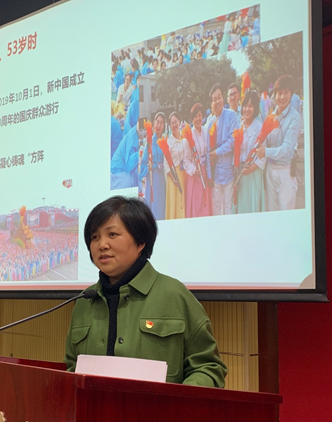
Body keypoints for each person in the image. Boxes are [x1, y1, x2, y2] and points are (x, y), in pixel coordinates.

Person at [64, 196, 227, 387]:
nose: (102, 245)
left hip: (160, 407)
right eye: (95, 237)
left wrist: (178, 401)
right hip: (94, 406)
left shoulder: (174, 294)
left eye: (112, 234)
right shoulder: (85, 300)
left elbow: (208, 367)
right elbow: (72, 367)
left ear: (140, 241)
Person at [257, 74, 301, 211]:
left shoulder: (295, 117)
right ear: (274, 95)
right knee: (272, 212)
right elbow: (264, 140)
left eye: (286, 92)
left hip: (285, 172)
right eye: (279, 93)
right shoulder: (270, 116)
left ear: (291, 94)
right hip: (270, 171)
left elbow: (287, 149)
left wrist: (265, 152)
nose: (282, 97)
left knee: (286, 212)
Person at [207, 83, 239, 215]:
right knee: (217, 209)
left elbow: (233, 141)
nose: (217, 101)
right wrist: (209, 175)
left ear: (223, 98)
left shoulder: (231, 115)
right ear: (211, 103)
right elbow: (207, 150)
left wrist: (217, 152)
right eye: (214, 99)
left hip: (229, 173)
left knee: (228, 208)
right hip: (216, 175)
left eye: (219, 97)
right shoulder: (210, 122)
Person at [235, 90, 265, 214]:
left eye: (251, 106)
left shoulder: (259, 128)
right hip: (241, 175)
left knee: (252, 208)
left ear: (255, 108)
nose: (247, 109)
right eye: (245, 106)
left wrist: (250, 169)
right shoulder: (239, 127)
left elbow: (262, 156)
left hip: (253, 175)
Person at [141, 112, 167, 221]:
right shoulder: (149, 142)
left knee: (161, 206)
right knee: (153, 207)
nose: (159, 125)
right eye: (157, 122)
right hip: (152, 179)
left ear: (164, 125)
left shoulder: (164, 141)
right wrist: (148, 167)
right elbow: (143, 164)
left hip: (161, 179)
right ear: (154, 123)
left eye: (162, 123)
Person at [187, 103, 213, 217]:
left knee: (206, 203)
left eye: (200, 115)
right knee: (197, 204)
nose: (198, 119)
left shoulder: (206, 131)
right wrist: (194, 170)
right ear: (192, 119)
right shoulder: (189, 135)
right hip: (196, 175)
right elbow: (186, 160)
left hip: (205, 172)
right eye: (195, 116)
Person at [165, 112, 192, 219]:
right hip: (174, 176)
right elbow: (166, 164)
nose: (174, 125)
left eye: (175, 122)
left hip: (184, 174)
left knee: (183, 200)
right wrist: (173, 178)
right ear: (169, 125)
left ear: (180, 122)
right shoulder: (168, 142)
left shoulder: (184, 137)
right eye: (172, 123)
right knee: (175, 202)